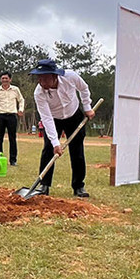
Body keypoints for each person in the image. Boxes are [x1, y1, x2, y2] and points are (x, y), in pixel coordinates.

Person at [30, 59, 95, 197]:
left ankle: (78, 186)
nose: (42, 82)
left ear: (55, 76)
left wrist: (87, 107)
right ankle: (44, 185)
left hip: (74, 115)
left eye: (45, 78)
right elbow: (46, 118)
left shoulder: (70, 76)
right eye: (39, 78)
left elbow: (84, 88)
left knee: (77, 151)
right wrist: (55, 143)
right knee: (48, 149)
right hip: (54, 119)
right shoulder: (39, 93)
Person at [0, 71, 25, 166]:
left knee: (12, 138)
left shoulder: (15, 89)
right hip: (0, 115)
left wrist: (20, 109)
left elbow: (21, 100)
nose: (5, 80)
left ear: (10, 79)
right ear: (0, 79)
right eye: (3, 78)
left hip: (12, 115)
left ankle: (13, 160)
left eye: (6, 78)